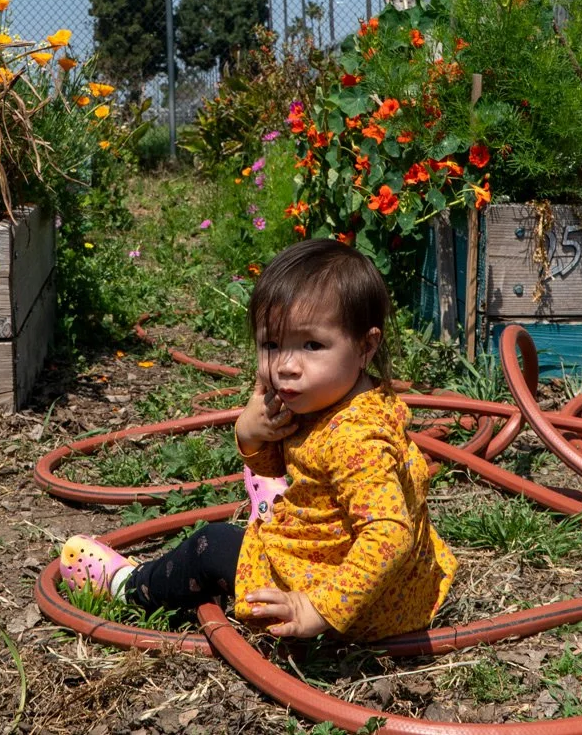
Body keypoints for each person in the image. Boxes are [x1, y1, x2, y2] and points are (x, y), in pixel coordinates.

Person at [58, 237, 457, 640]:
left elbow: (389, 534)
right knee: (281, 489)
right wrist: (252, 434)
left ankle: (127, 586)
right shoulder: (338, 394)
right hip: (394, 584)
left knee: (210, 545)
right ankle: (279, 509)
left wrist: (318, 607)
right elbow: (288, 463)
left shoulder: (356, 440)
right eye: (271, 344)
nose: (285, 366)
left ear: (366, 346)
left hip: (350, 600)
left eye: (312, 345)